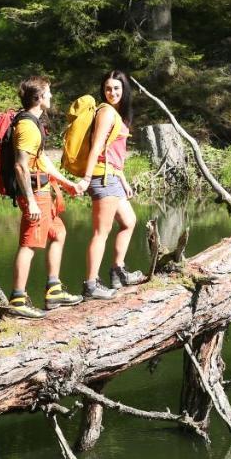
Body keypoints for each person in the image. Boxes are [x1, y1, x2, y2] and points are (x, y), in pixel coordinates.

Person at [9, 76, 88, 318]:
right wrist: (31, 200)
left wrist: (67, 184)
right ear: (40, 97)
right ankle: (17, 300)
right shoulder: (27, 127)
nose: (52, 97)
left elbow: (41, 160)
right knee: (29, 244)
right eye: (49, 93)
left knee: (59, 233)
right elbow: (21, 167)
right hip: (36, 195)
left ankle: (53, 289)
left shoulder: (34, 123)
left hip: (44, 192)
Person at [82, 69, 146, 300]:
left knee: (129, 222)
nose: (112, 92)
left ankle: (118, 271)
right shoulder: (107, 113)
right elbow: (97, 147)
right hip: (102, 177)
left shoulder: (118, 113)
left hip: (112, 176)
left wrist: (123, 179)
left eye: (117, 88)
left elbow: (114, 152)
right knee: (101, 232)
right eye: (108, 88)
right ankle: (91, 284)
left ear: (124, 89)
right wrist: (87, 178)